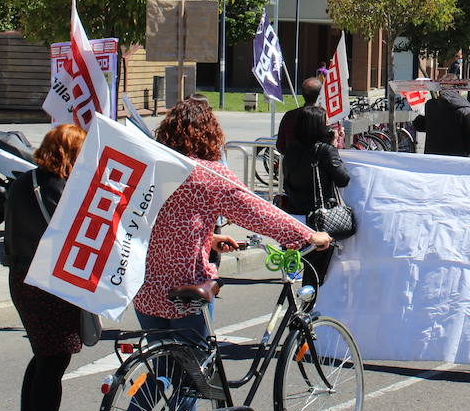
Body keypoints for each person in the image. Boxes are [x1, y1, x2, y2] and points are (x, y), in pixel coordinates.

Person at [138, 97, 331, 339]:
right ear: (209, 134)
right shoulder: (208, 174)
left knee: (161, 365)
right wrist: (306, 234)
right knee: (195, 366)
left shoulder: (152, 168)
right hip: (187, 281)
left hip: (147, 285)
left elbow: (163, 225)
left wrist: (209, 238)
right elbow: (256, 211)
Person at [2, 123, 89, 411]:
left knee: (43, 354)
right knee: (54, 361)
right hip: (51, 282)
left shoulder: (25, 181)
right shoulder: (60, 189)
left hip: (21, 277)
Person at [280, 105, 351, 288]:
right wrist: (334, 147)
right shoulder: (324, 151)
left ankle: (297, 308)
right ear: (318, 126)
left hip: (294, 214)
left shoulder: (290, 151)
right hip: (319, 218)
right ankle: (309, 311)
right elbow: (343, 179)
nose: (329, 126)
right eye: (326, 123)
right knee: (317, 273)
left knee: (303, 267)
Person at [413, 82, 470, 157]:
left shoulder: (430, 106)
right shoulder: (465, 110)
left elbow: (418, 125)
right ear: (459, 91)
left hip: (433, 157)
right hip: (458, 158)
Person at [275, 75, 323, 154]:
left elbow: (280, 145)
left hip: (292, 162)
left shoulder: (289, 116)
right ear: (320, 95)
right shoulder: (322, 116)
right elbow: (328, 144)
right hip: (315, 162)